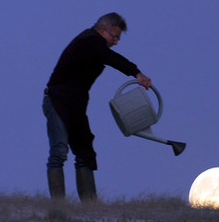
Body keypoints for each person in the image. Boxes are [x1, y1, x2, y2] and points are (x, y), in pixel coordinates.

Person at [43, 12, 152, 201]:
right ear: (103, 30)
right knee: (59, 150)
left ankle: (90, 206)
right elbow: (111, 57)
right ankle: (58, 205)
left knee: (85, 152)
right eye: (114, 36)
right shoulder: (89, 41)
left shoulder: (94, 43)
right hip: (57, 100)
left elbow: (107, 55)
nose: (116, 42)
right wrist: (136, 73)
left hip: (76, 105)